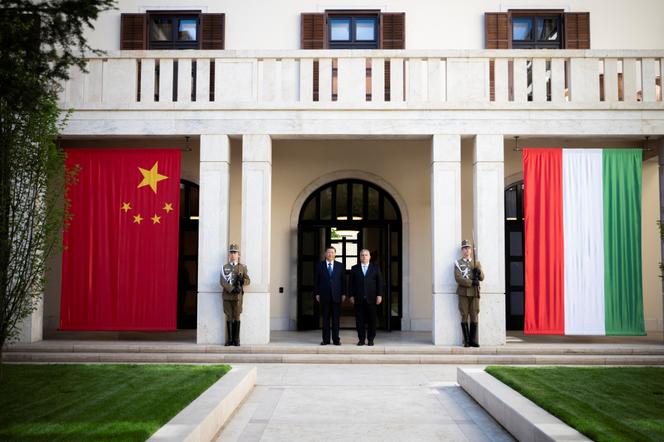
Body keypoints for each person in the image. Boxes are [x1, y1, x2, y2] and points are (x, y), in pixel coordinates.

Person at [348, 249, 384, 346]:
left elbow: (379, 283)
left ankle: (371, 339)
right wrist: (351, 295)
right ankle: (361, 340)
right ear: (359, 257)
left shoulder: (375, 268)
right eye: (362, 255)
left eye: (366, 255)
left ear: (369, 257)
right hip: (358, 298)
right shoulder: (354, 268)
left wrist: (379, 295)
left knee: (372, 320)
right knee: (360, 321)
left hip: (372, 298)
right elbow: (351, 284)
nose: (364, 257)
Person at [454, 239, 484, 347]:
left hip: (474, 293)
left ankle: (473, 340)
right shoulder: (458, 263)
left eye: (468, 248)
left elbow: (482, 278)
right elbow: (458, 278)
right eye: (464, 248)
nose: (466, 250)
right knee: (464, 316)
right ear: (462, 250)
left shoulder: (476, 263)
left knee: (474, 315)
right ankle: (466, 341)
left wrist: (479, 272)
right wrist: (471, 282)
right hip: (463, 293)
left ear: (471, 250)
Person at [219, 243, 250, 346]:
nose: (233, 255)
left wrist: (242, 281)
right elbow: (222, 281)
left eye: (235, 252)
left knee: (236, 317)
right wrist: (232, 289)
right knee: (229, 317)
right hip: (228, 296)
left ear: (238, 255)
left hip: (238, 297)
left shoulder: (242, 268)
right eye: (231, 252)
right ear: (229, 255)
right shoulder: (224, 267)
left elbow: (248, 281)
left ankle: (236, 340)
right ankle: (229, 340)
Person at [314, 246, 346, 345]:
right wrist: (317, 293)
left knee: (336, 319)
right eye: (328, 252)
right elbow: (316, 281)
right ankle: (326, 340)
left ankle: (336, 339)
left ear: (335, 254)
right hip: (324, 296)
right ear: (325, 254)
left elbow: (343, 281)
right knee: (325, 319)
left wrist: (343, 293)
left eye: (332, 252)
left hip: (336, 296)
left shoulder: (340, 266)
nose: (330, 254)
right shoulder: (319, 265)